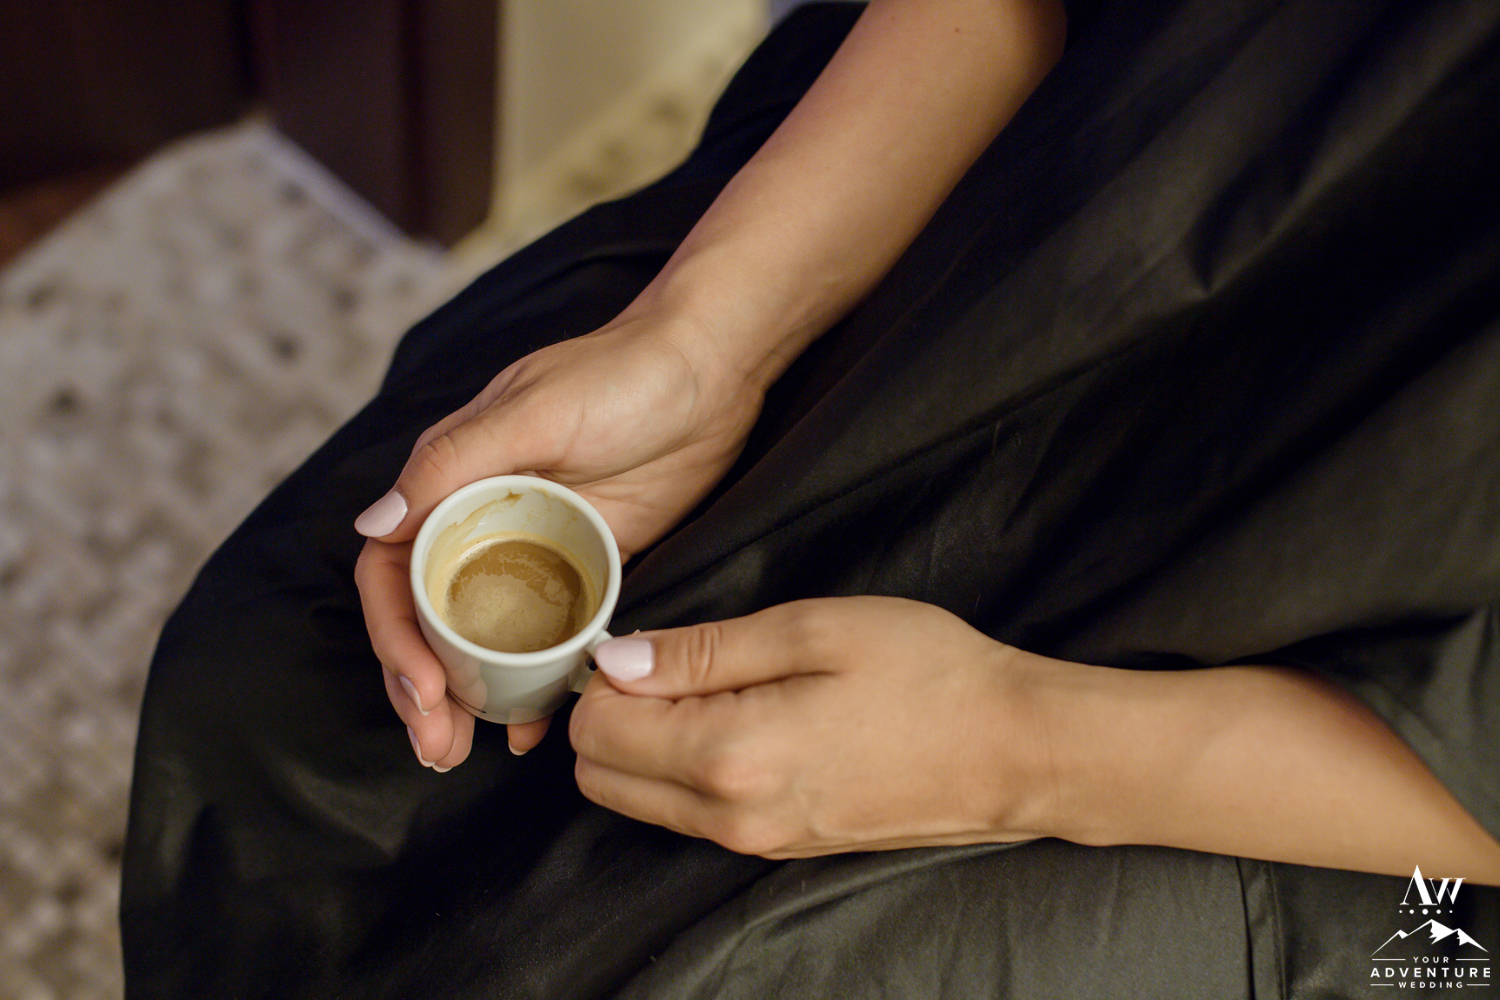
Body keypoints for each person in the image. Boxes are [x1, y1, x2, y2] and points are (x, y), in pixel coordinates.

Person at [124, 1, 1500, 997]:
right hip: (1021, 225)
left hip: (1378, 770)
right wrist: (713, 339)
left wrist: (1016, 753)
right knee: (269, 673)